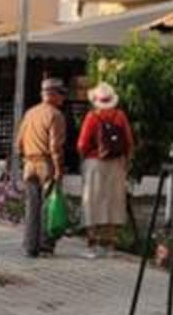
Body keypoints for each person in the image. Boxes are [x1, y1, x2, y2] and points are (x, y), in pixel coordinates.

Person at [76, 82, 135, 249]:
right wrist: (126, 162)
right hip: (117, 163)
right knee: (114, 200)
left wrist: (84, 160)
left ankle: (92, 239)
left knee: (93, 200)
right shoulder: (120, 116)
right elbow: (129, 142)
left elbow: (81, 144)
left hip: (95, 163)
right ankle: (110, 240)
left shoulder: (92, 117)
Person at [16, 79, 70, 257]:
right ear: (53, 95)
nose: (63, 98)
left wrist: (24, 158)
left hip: (29, 163)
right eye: (61, 94)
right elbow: (55, 146)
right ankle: (45, 244)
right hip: (46, 163)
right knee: (48, 205)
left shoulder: (30, 113)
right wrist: (59, 169)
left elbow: (19, 142)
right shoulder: (55, 115)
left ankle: (30, 246)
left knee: (32, 205)